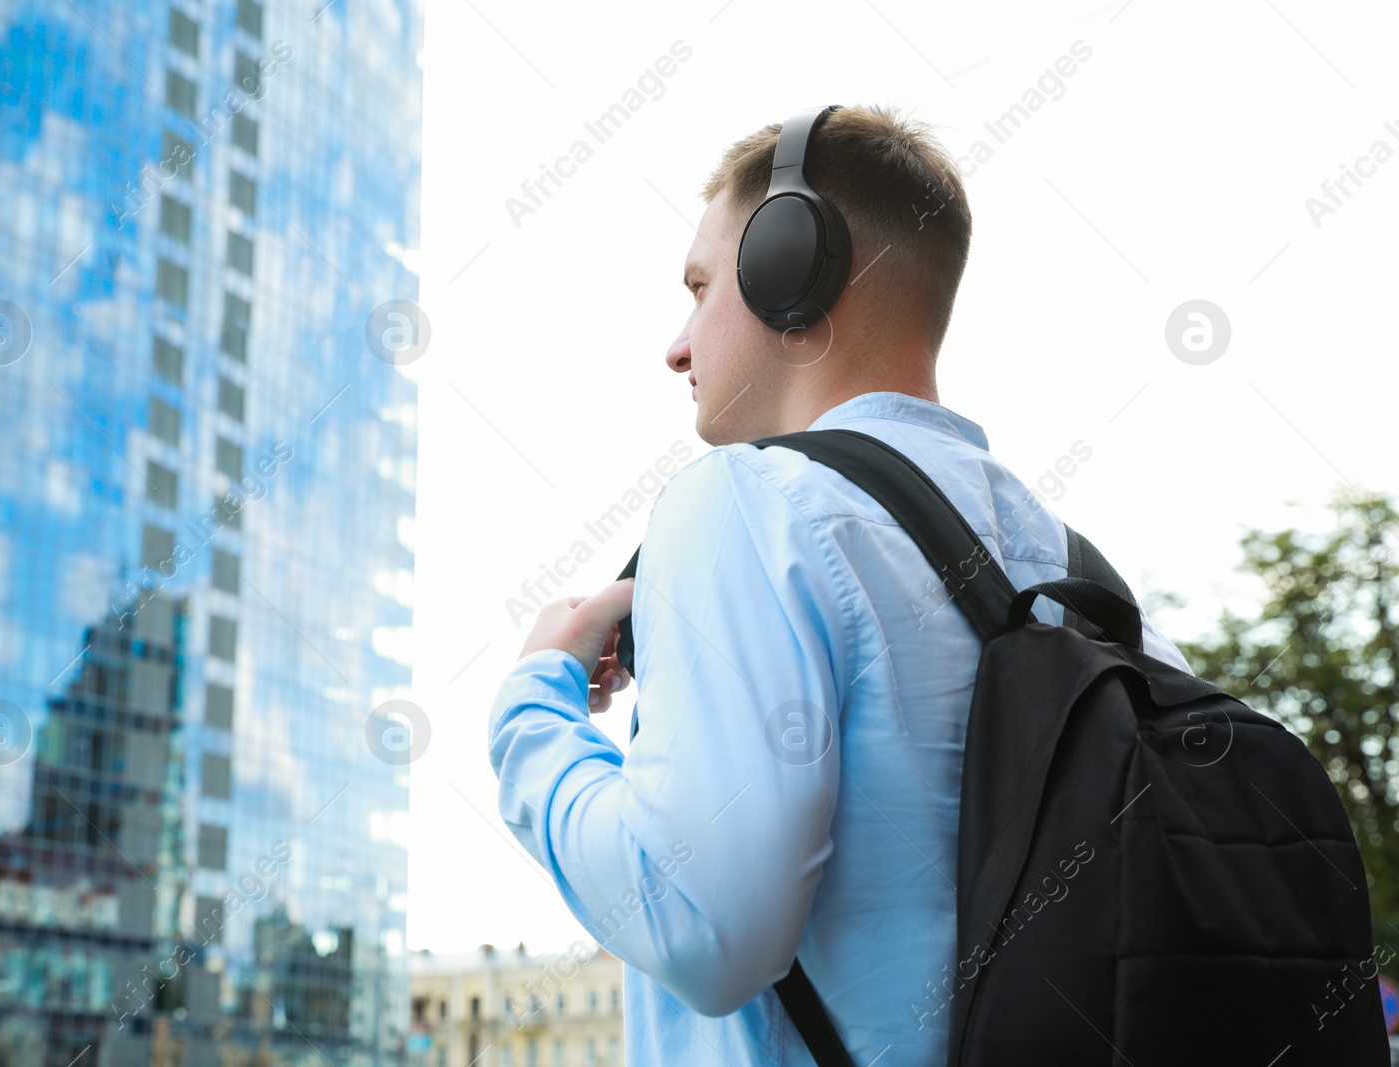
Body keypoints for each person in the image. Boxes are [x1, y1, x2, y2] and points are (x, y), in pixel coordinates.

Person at [487, 103, 1192, 1066]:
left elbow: (700, 924)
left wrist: (535, 706)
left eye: (699, 288)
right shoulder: (1087, 583)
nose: (678, 345)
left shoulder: (740, 503)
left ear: (790, 266)